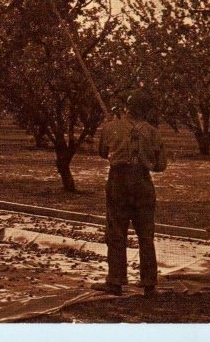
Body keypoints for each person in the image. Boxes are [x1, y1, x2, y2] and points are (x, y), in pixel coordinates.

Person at [91, 90, 167, 297]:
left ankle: (115, 281)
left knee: (116, 232)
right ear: (146, 109)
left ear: (128, 107)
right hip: (142, 182)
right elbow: (160, 166)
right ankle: (149, 283)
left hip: (118, 181)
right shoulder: (152, 132)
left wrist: (116, 138)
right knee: (146, 234)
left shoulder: (110, 127)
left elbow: (102, 153)